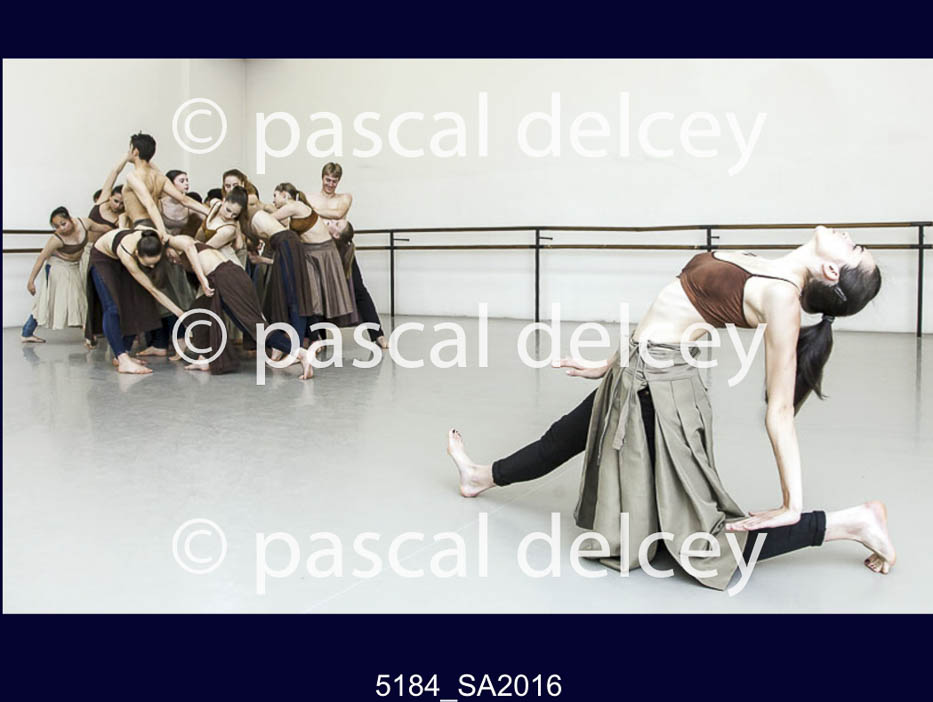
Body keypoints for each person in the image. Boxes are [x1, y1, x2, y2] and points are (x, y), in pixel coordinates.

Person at [446, 226, 894, 589]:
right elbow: (671, 312)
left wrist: (792, 503)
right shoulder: (765, 265)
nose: (848, 237)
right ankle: (481, 477)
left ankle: (846, 523)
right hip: (636, 370)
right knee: (565, 435)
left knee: (702, 542)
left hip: (657, 390)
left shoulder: (782, 300)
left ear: (831, 271)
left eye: (855, 249)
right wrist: (610, 364)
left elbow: (779, 410)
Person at [176, 243, 318, 379]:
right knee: (199, 310)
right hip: (229, 278)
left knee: (255, 328)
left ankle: (300, 353)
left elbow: (189, 247)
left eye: (171, 255)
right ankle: (204, 358)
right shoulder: (198, 251)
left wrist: (202, 280)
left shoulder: (175, 241)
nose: (172, 259)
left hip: (227, 280)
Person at [84, 227, 212, 375]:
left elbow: (186, 244)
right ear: (137, 254)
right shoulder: (127, 255)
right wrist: (179, 313)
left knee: (139, 303)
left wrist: (170, 249)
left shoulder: (156, 237)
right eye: (148, 264)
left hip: (124, 256)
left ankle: (125, 352)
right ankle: (122, 359)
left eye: (155, 263)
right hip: (103, 259)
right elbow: (153, 290)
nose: (152, 267)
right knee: (112, 308)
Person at [21, 207, 93, 344]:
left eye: (63, 223)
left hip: (73, 266)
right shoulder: (56, 239)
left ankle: (27, 332)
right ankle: (88, 334)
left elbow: (100, 227)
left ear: (70, 219)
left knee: (79, 298)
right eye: (57, 226)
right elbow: (41, 258)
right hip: (57, 267)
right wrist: (31, 281)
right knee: (52, 301)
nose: (61, 228)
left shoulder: (83, 224)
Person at [119, 134, 210, 238]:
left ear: (135, 151)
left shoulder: (133, 176)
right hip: (155, 225)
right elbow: (185, 200)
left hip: (141, 226)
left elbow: (150, 204)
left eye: (129, 149)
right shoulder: (159, 177)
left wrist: (163, 234)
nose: (128, 153)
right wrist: (210, 212)